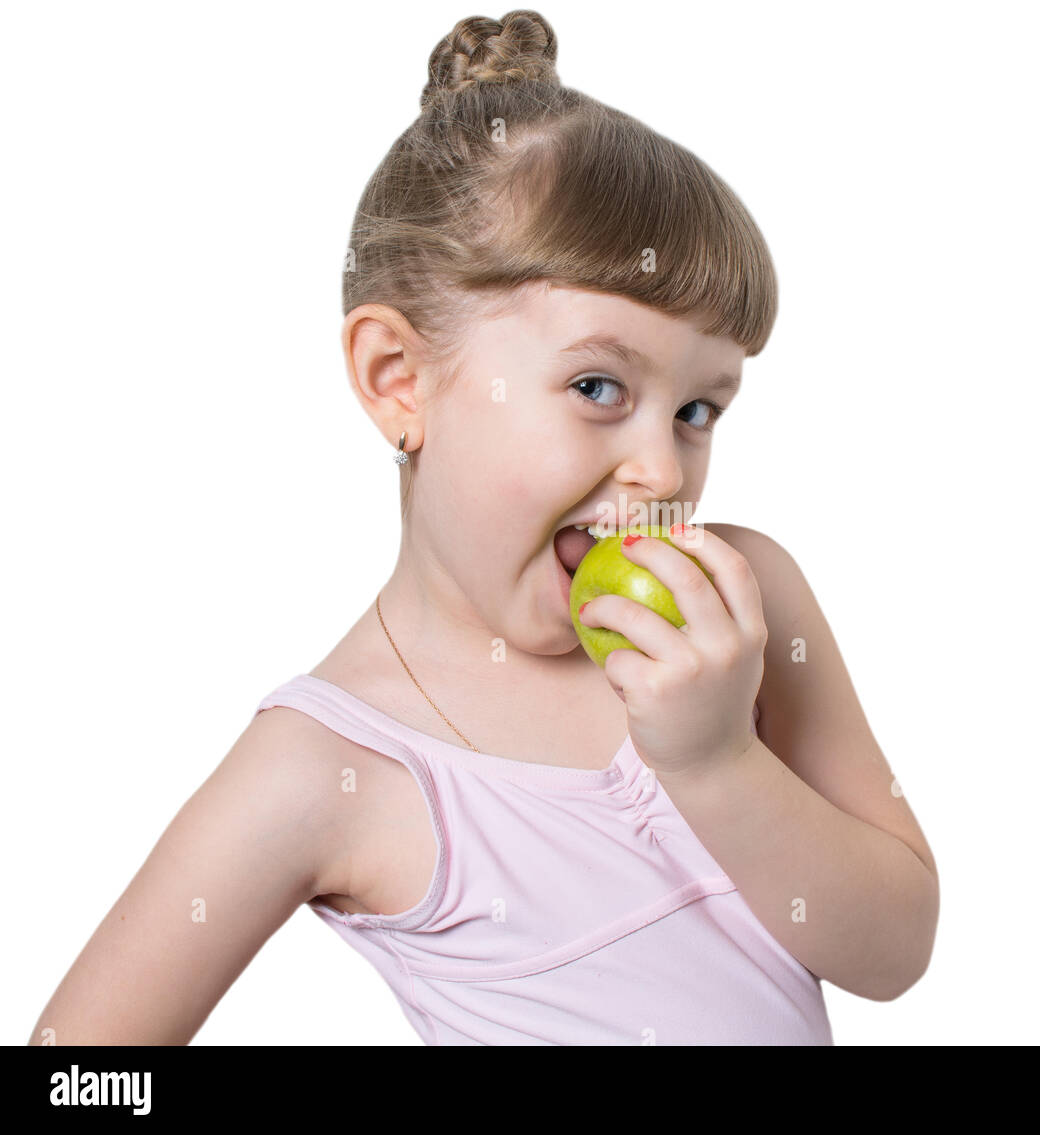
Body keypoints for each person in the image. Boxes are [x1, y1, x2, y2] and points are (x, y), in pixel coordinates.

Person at [27, 8, 938, 1046]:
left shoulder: (743, 600)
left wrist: (719, 764)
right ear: (398, 379)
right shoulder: (324, 765)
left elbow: (895, 950)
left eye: (697, 410)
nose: (658, 469)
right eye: (598, 385)